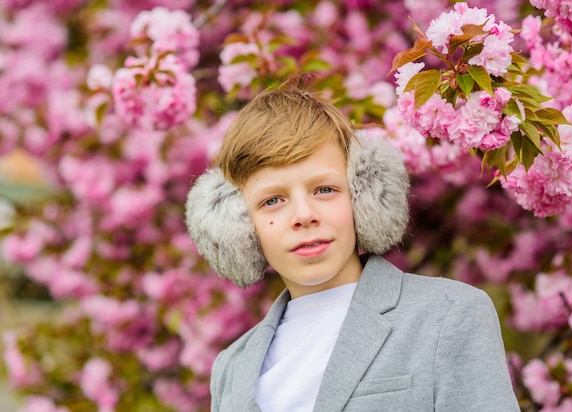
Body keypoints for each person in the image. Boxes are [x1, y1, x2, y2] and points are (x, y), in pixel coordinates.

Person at [185, 87, 520, 411]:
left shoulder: (450, 315)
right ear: (239, 224)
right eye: (272, 200)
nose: (303, 215)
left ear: (364, 195)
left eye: (324, 189)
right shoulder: (230, 367)